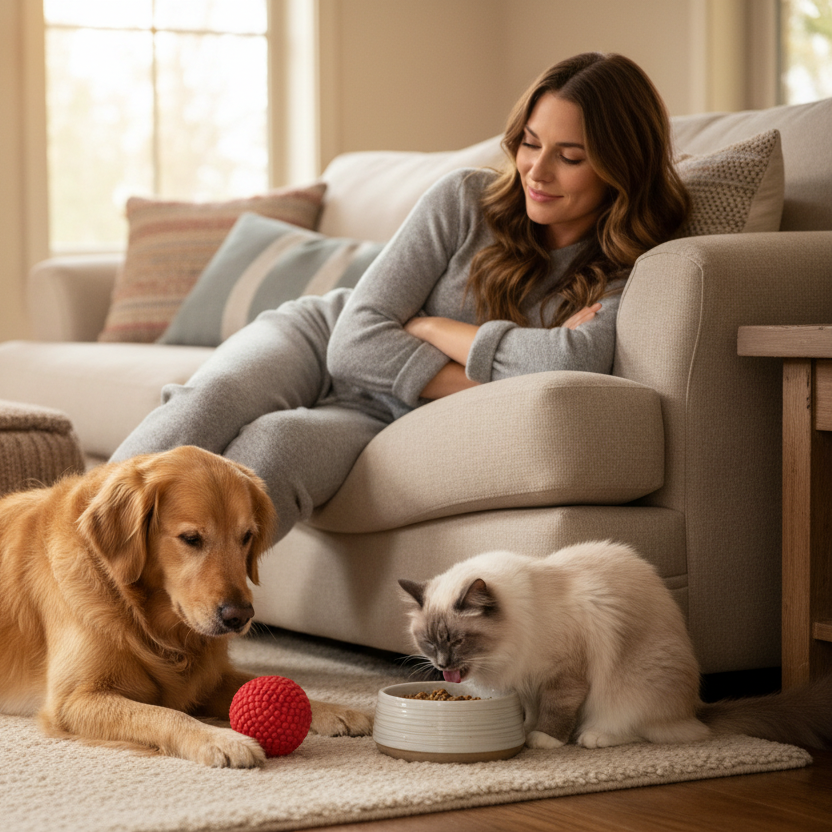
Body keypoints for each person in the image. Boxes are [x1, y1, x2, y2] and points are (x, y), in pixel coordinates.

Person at [112, 52, 690, 541]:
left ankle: (164, 642)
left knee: (271, 452)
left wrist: (433, 327)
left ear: (621, 167)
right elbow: (354, 343)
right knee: (209, 401)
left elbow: (574, 363)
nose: (537, 171)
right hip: (320, 337)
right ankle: (66, 558)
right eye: (530, 143)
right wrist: (502, 369)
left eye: (570, 157)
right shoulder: (465, 199)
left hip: (391, 415)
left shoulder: (627, 269)